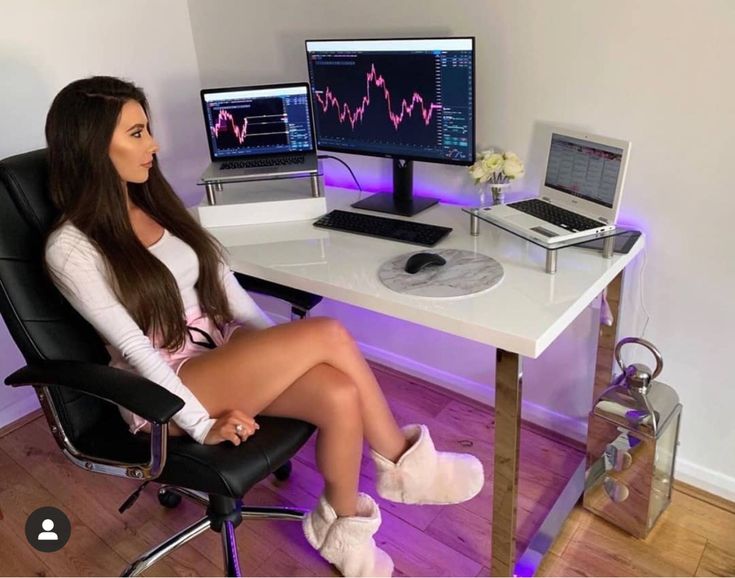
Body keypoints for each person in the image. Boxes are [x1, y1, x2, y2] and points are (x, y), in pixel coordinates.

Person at [43, 76, 484, 577]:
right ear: (91, 146)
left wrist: (274, 347)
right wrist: (200, 424)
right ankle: (406, 465)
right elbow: (133, 349)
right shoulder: (71, 249)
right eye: (138, 133)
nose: (154, 145)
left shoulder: (154, 203)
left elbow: (224, 285)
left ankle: (343, 532)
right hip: (165, 386)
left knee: (338, 392)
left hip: (219, 351)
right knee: (329, 332)